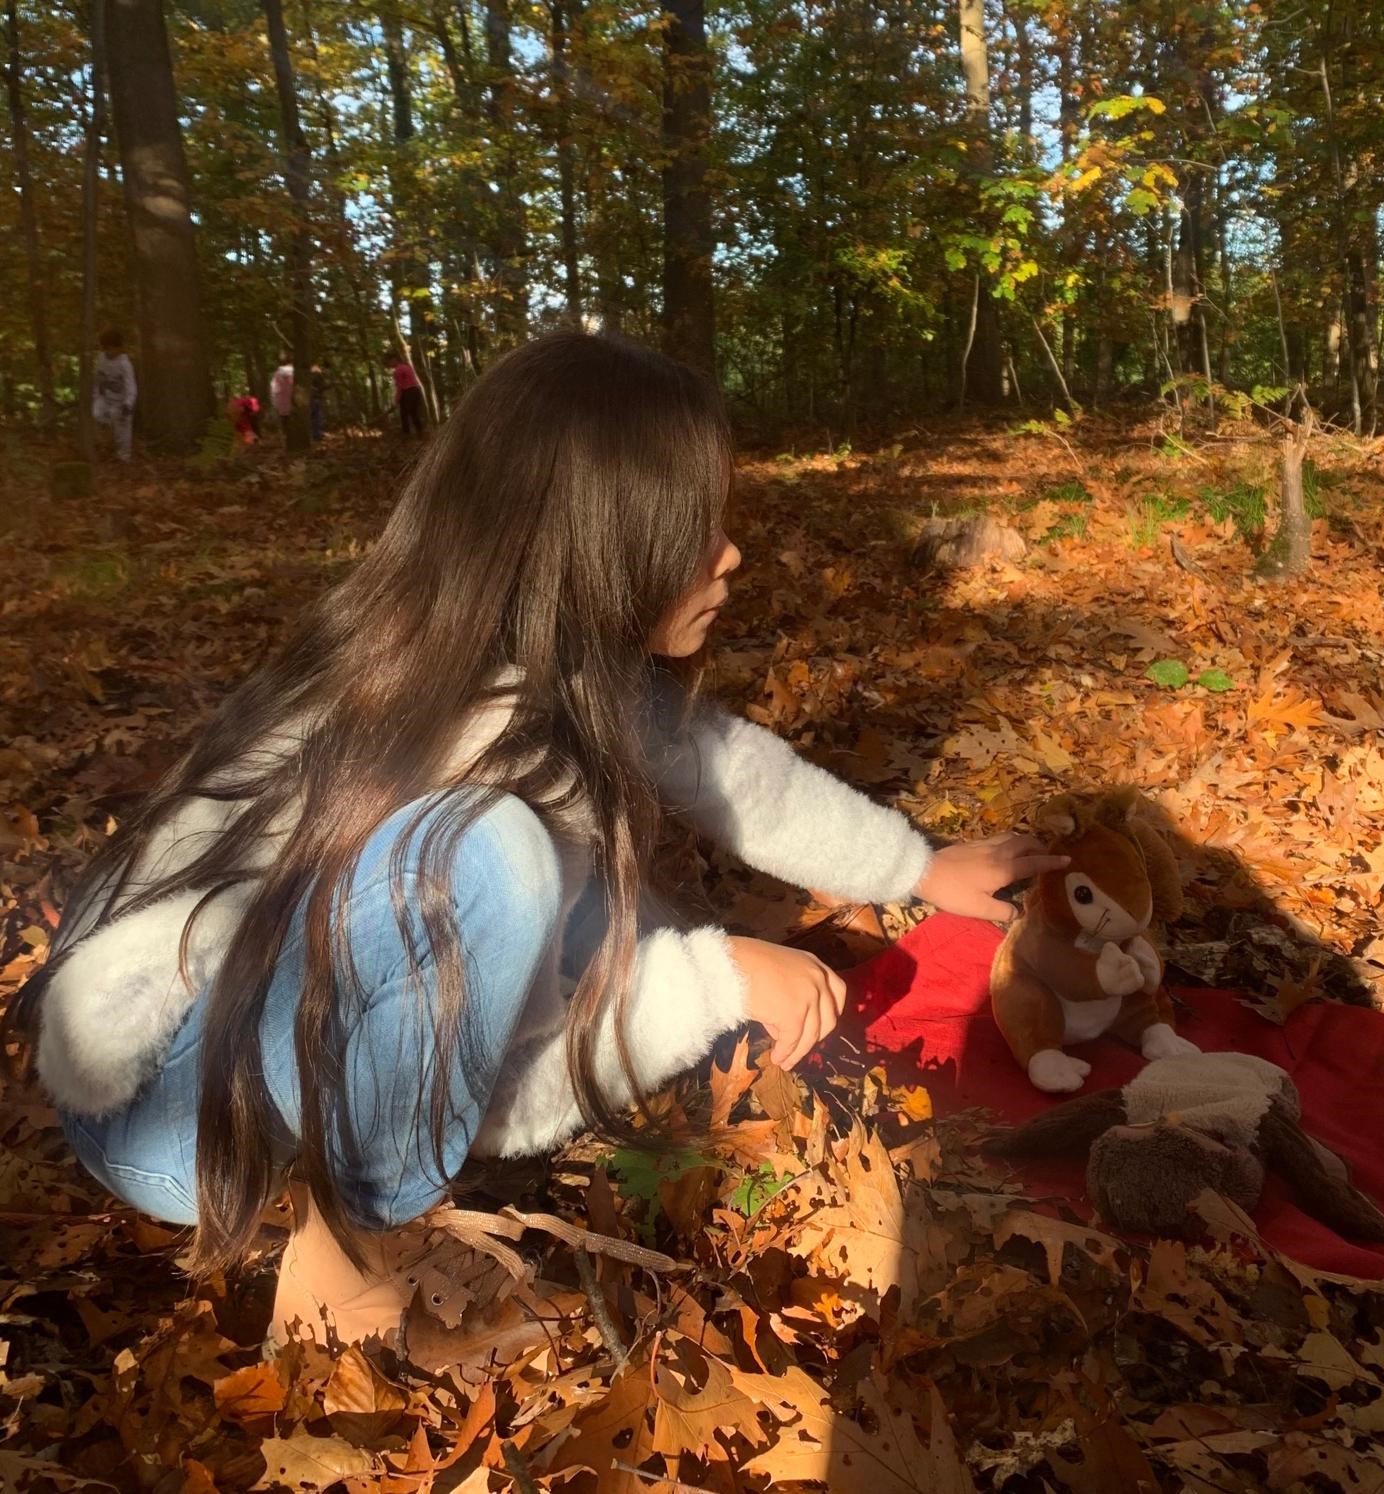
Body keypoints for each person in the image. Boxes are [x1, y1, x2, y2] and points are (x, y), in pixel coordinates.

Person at [13, 333, 1064, 1351]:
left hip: (233, 1050)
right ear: (599, 543)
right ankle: (346, 1263)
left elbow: (730, 768)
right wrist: (716, 982)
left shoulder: (511, 657)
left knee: (565, 896)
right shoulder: (467, 746)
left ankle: (349, 1194)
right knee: (502, 861)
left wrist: (917, 866)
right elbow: (490, 1095)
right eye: (696, 526)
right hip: (172, 1113)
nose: (732, 553)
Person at [92, 329, 137, 463]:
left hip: (121, 403)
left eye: (112, 348)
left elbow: (131, 386)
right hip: (105, 398)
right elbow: (97, 379)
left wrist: (128, 403)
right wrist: (96, 396)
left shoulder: (125, 364)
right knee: (96, 414)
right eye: (107, 348)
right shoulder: (101, 359)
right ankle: (104, 445)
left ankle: (123, 457)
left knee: (122, 428)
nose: (110, 351)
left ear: (119, 348)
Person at [388, 348, 424, 436]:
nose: (389, 364)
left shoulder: (398, 371)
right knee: (414, 413)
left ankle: (406, 434)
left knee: (404, 414)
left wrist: (396, 400)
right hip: (415, 391)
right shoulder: (407, 367)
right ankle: (420, 432)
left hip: (408, 392)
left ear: (395, 360)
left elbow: (400, 386)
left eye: (390, 361)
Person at [270, 357, 295, 429]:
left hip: (281, 402)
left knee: (284, 422)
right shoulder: (295, 371)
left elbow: (273, 388)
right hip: (293, 402)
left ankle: (285, 434)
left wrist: (274, 401)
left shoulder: (278, 373)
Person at [308, 364, 326, 442]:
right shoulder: (318, 375)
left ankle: (314, 434)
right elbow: (323, 386)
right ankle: (317, 435)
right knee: (317, 417)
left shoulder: (308, 376)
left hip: (311, 399)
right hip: (316, 398)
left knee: (313, 417)